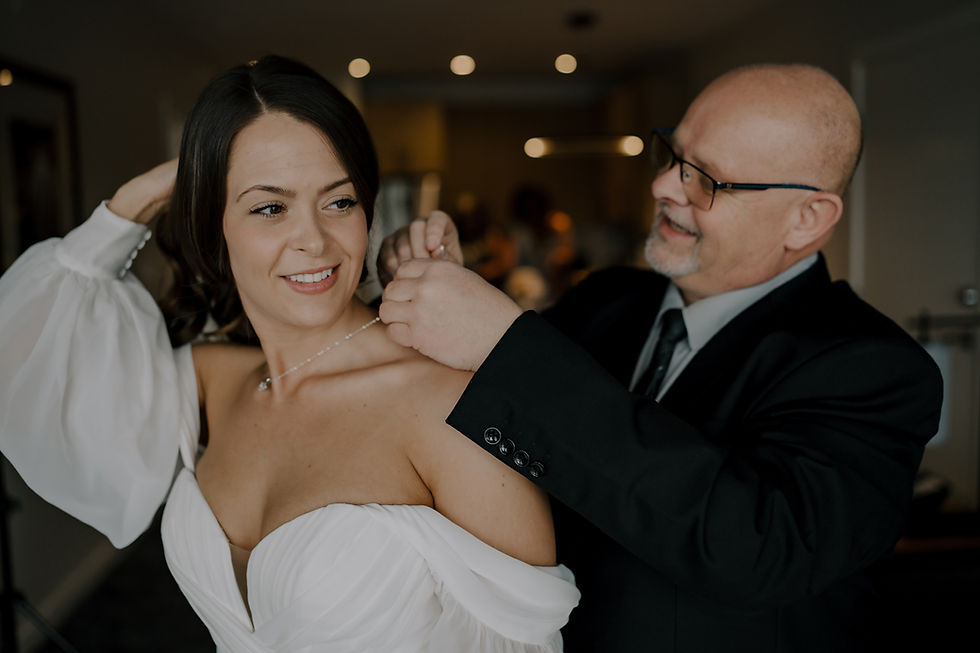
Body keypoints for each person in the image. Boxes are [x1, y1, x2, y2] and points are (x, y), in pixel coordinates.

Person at [0, 55, 578, 652]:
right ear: (212, 224)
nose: (314, 240)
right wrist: (130, 205)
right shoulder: (207, 380)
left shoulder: (452, 403)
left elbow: (526, 644)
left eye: (339, 202)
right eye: (269, 207)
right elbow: (16, 358)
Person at [377, 64, 943, 652]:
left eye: (706, 179)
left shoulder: (873, 369)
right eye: (673, 154)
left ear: (807, 219)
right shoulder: (607, 299)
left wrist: (506, 345)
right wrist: (424, 284)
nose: (664, 187)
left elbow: (758, 547)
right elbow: (491, 411)